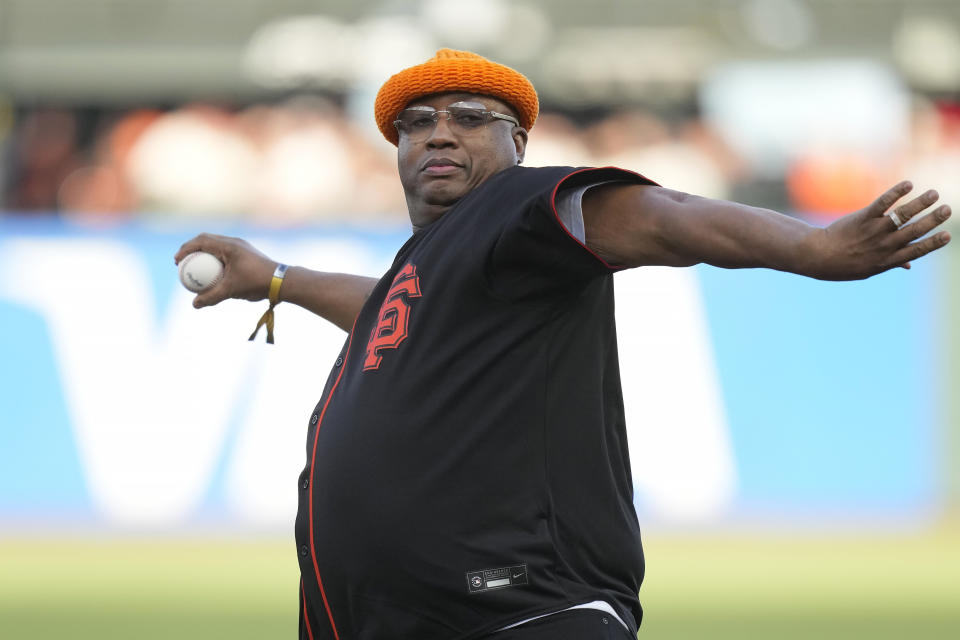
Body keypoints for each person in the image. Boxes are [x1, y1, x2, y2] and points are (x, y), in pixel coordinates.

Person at [175, 49, 952, 640]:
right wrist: (276, 278)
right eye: (416, 123)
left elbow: (663, 214)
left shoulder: (515, 208)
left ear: (517, 142)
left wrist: (813, 249)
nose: (437, 133)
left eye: (469, 117)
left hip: (520, 612)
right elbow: (386, 314)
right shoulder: (439, 263)